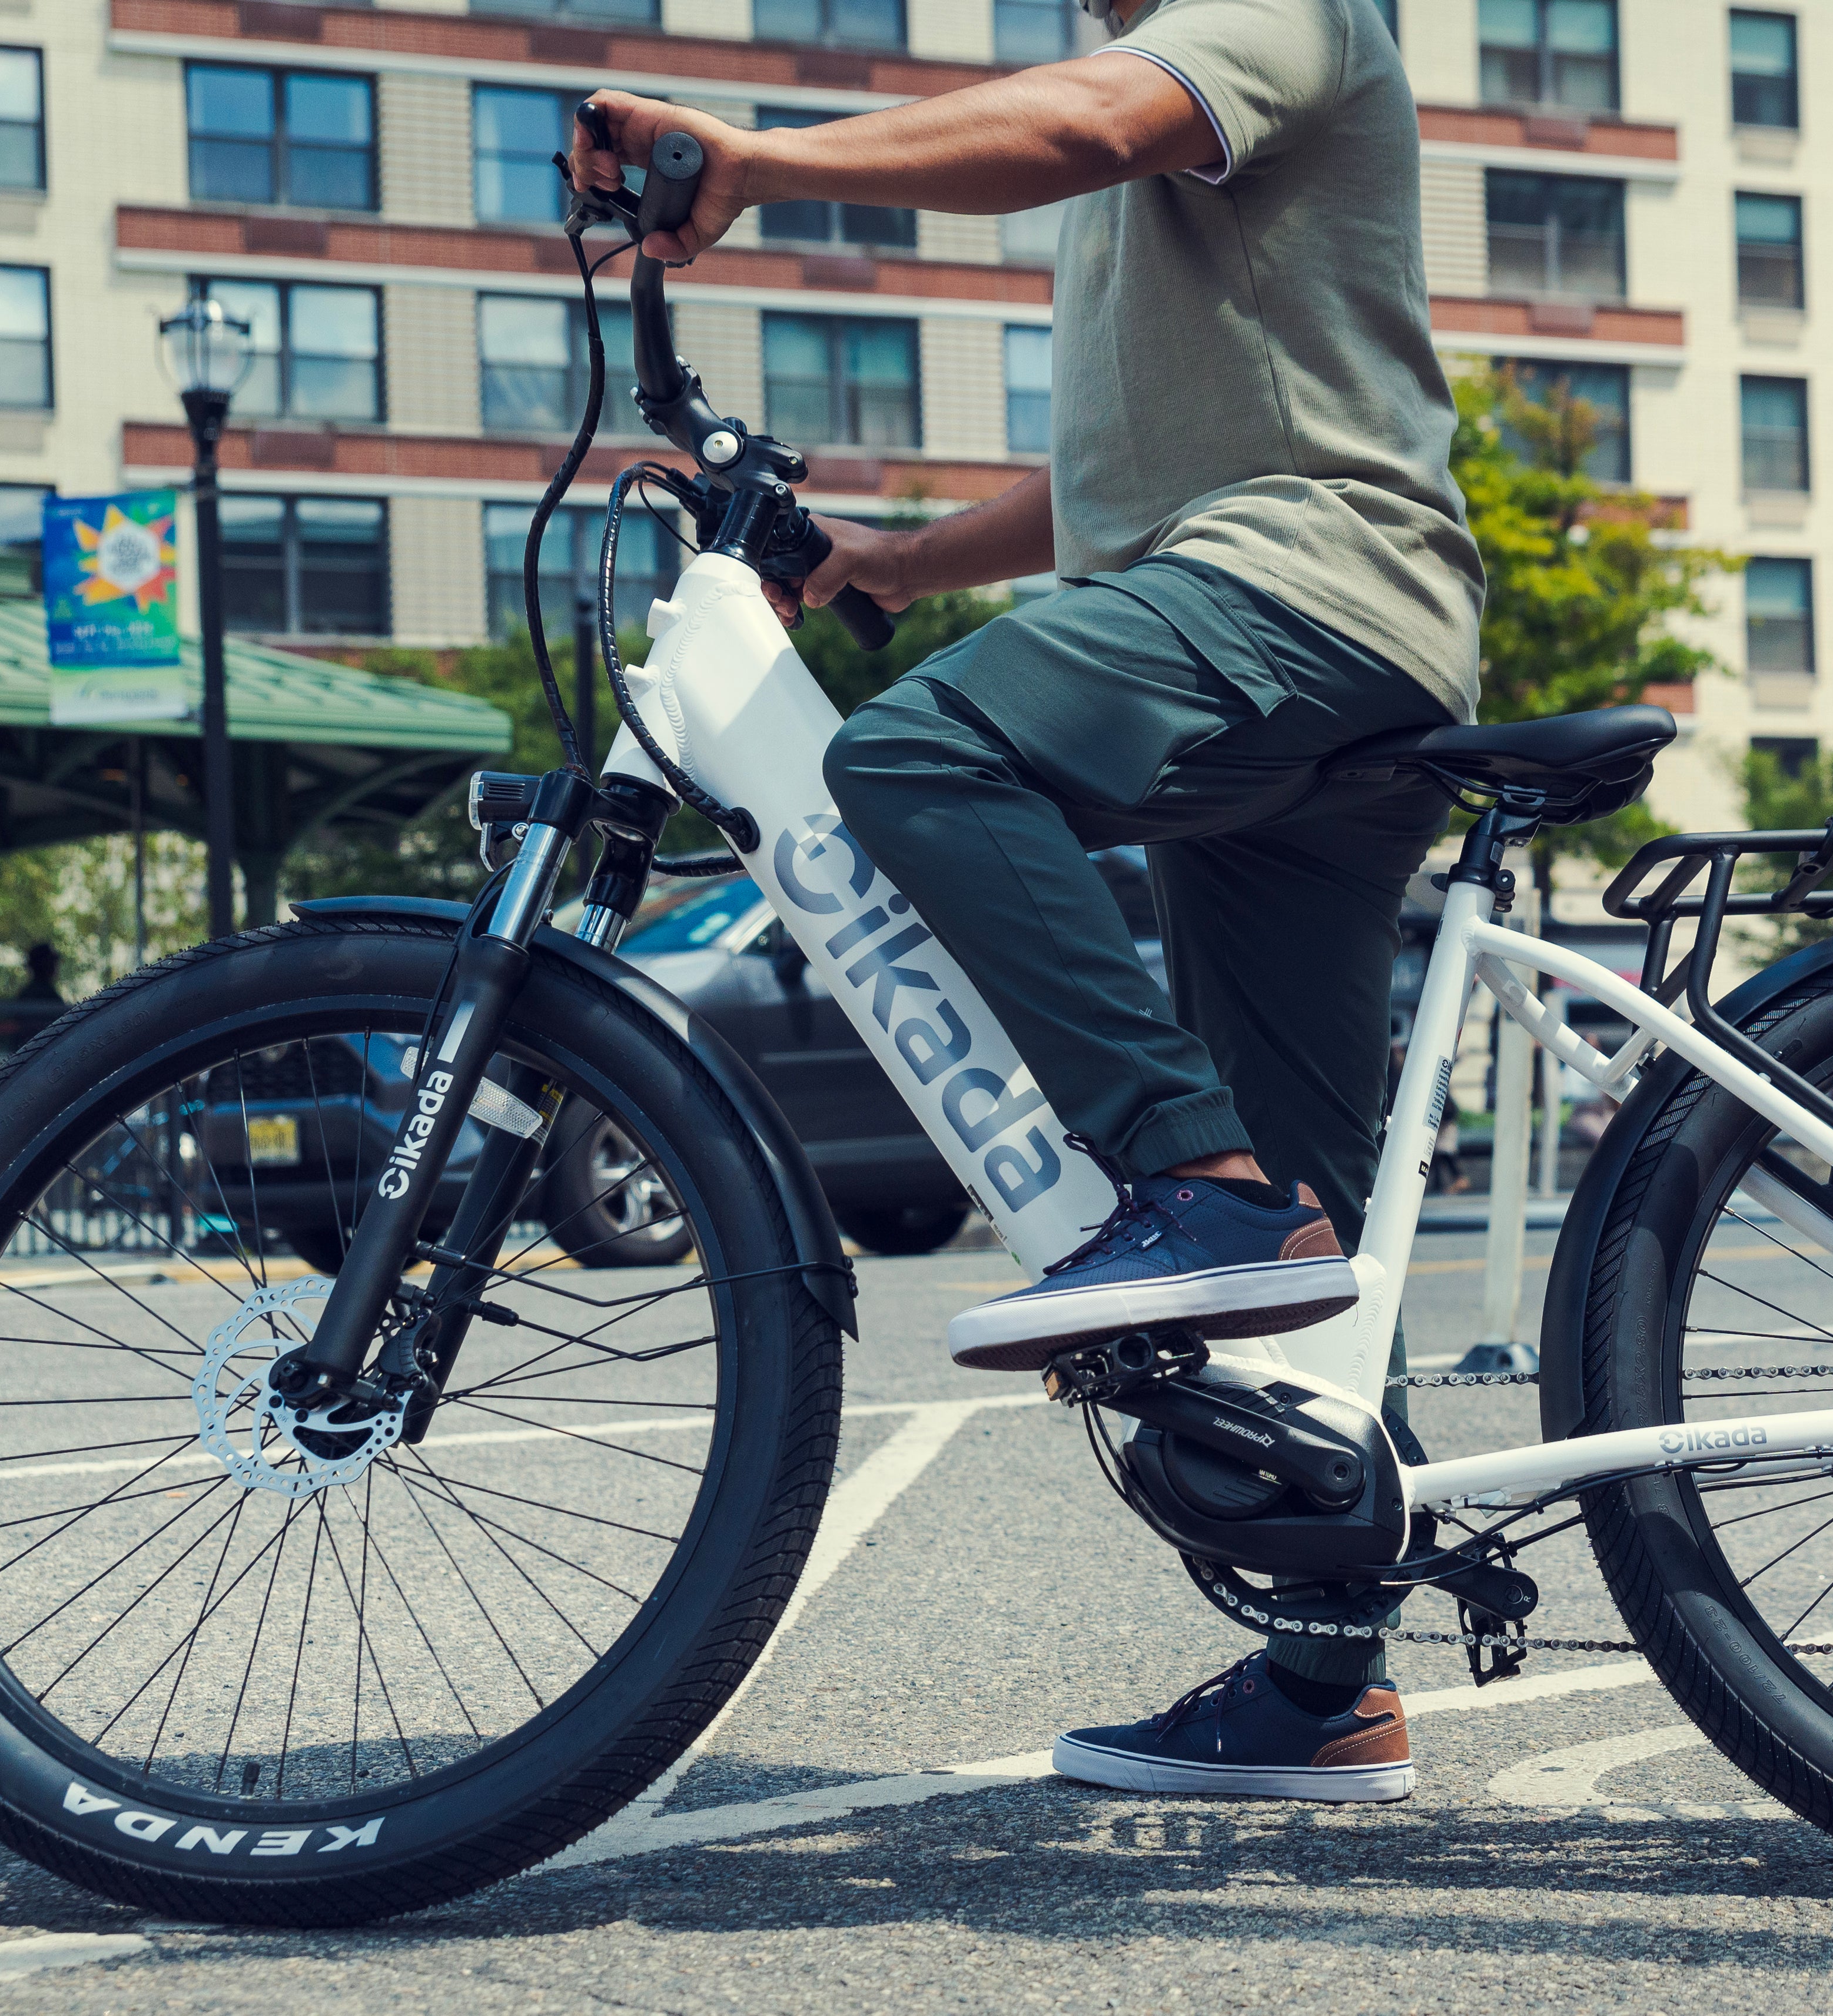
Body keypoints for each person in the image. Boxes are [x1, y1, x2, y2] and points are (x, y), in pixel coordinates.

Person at [575, 0, 1477, 1806]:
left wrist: (759, 162)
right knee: (1298, 1281)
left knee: (910, 763)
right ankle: (1325, 1685)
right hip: (1276, 640)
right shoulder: (1167, 133)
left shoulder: (1271, 17)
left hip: (1305, 605)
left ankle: (1188, 1180)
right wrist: (887, 563)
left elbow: (1068, 127)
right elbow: (1121, 487)